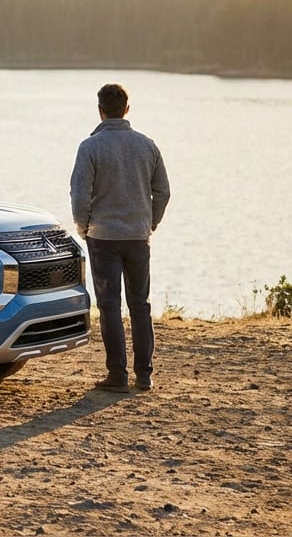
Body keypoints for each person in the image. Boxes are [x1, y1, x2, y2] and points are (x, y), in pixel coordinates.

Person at [70, 83, 171, 393]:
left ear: (100, 109)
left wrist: (82, 227)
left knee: (110, 306)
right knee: (141, 305)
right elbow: (163, 192)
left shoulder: (90, 147)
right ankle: (145, 375)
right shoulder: (147, 145)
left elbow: (80, 194)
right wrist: (148, 223)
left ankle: (118, 375)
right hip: (138, 237)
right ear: (127, 109)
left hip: (103, 238)